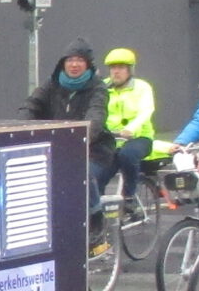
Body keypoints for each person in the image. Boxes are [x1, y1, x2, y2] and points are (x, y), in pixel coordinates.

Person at [26, 41, 112, 231]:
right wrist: (22, 125)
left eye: (80, 60)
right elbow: (32, 105)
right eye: (70, 60)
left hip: (93, 149)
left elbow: (96, 116)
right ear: (63, 63)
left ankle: (96, 218)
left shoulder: (98, 87)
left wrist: (83, 137)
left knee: (81, 170)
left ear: (88, 64)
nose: (74, 64)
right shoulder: (52, 83)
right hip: (56, 147)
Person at [99, 47, 158, 206]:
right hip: (111, 140)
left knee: (127, 155)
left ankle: (130, 195)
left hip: (139, 137)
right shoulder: (102, 87)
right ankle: (97, 212)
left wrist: (131, 128)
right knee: (96, 174)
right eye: (113, 68)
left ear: (130, 70)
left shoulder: (142, 87)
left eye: (121, 68)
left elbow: (146, 110)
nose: (116, 72)